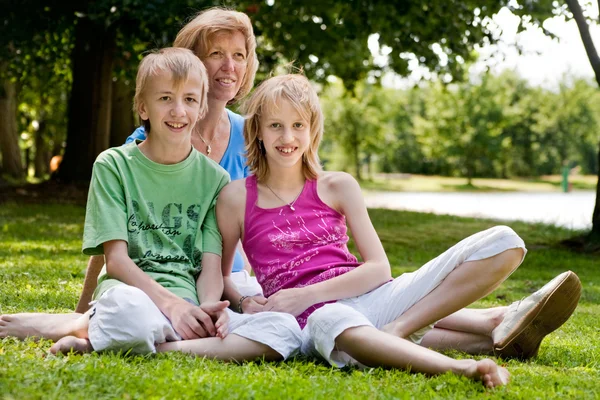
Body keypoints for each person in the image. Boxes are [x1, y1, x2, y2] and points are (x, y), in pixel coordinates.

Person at [216, 74, 582, 387]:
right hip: (312, 321)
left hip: (372, 296)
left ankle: (401, 330)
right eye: (275, 125)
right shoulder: (236, 197)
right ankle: (488, 335)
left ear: (313, 131)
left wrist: (305, 294)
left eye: (298, 125)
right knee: (330, 318)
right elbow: (224, 276)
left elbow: (378, 269)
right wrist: (245, 301)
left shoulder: (337, 185)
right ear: (257, 131)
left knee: (506, 241)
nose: (287, 136)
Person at [0, 48, 301, 360]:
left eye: (189, 100)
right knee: (131, 315)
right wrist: (172, 306)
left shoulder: (216, 180)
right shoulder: (114, 165)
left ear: (200, 109)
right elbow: (116, 261)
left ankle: (92, 334)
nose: (178, 111)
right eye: (165, 98)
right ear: (143, 107)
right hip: (131, 295)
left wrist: (206, 309)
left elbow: (211, 266)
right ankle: (112, 329)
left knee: (283, 330)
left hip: (187, 306)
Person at [75, 7, 262, 315]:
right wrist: (85, 311)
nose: (229, 66)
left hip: (224, 281)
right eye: (216, 53)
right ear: (191, 62)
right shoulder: (147, 139)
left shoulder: (250, 137)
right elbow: (118, 227)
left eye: (239, 56)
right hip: (157, 278)